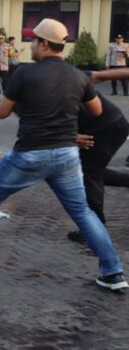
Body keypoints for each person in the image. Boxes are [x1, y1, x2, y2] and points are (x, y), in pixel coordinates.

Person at [0, 18, 127, 291]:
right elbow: (97, 111)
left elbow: (2, 112)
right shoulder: (77, 75)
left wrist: (32, 107)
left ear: (43, 44)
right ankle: (113, 273)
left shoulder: (25, 74)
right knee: (82, 211)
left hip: (31, 153)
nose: (31, 45)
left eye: (34, 41)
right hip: (66, 155)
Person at [68, 91, 129, 243]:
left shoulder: (61, 83)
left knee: (89, 174)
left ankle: (95, 228)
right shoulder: (63, 77)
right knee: (90, 170)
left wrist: (69, 136)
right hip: (104, 125)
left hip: (105, 128)